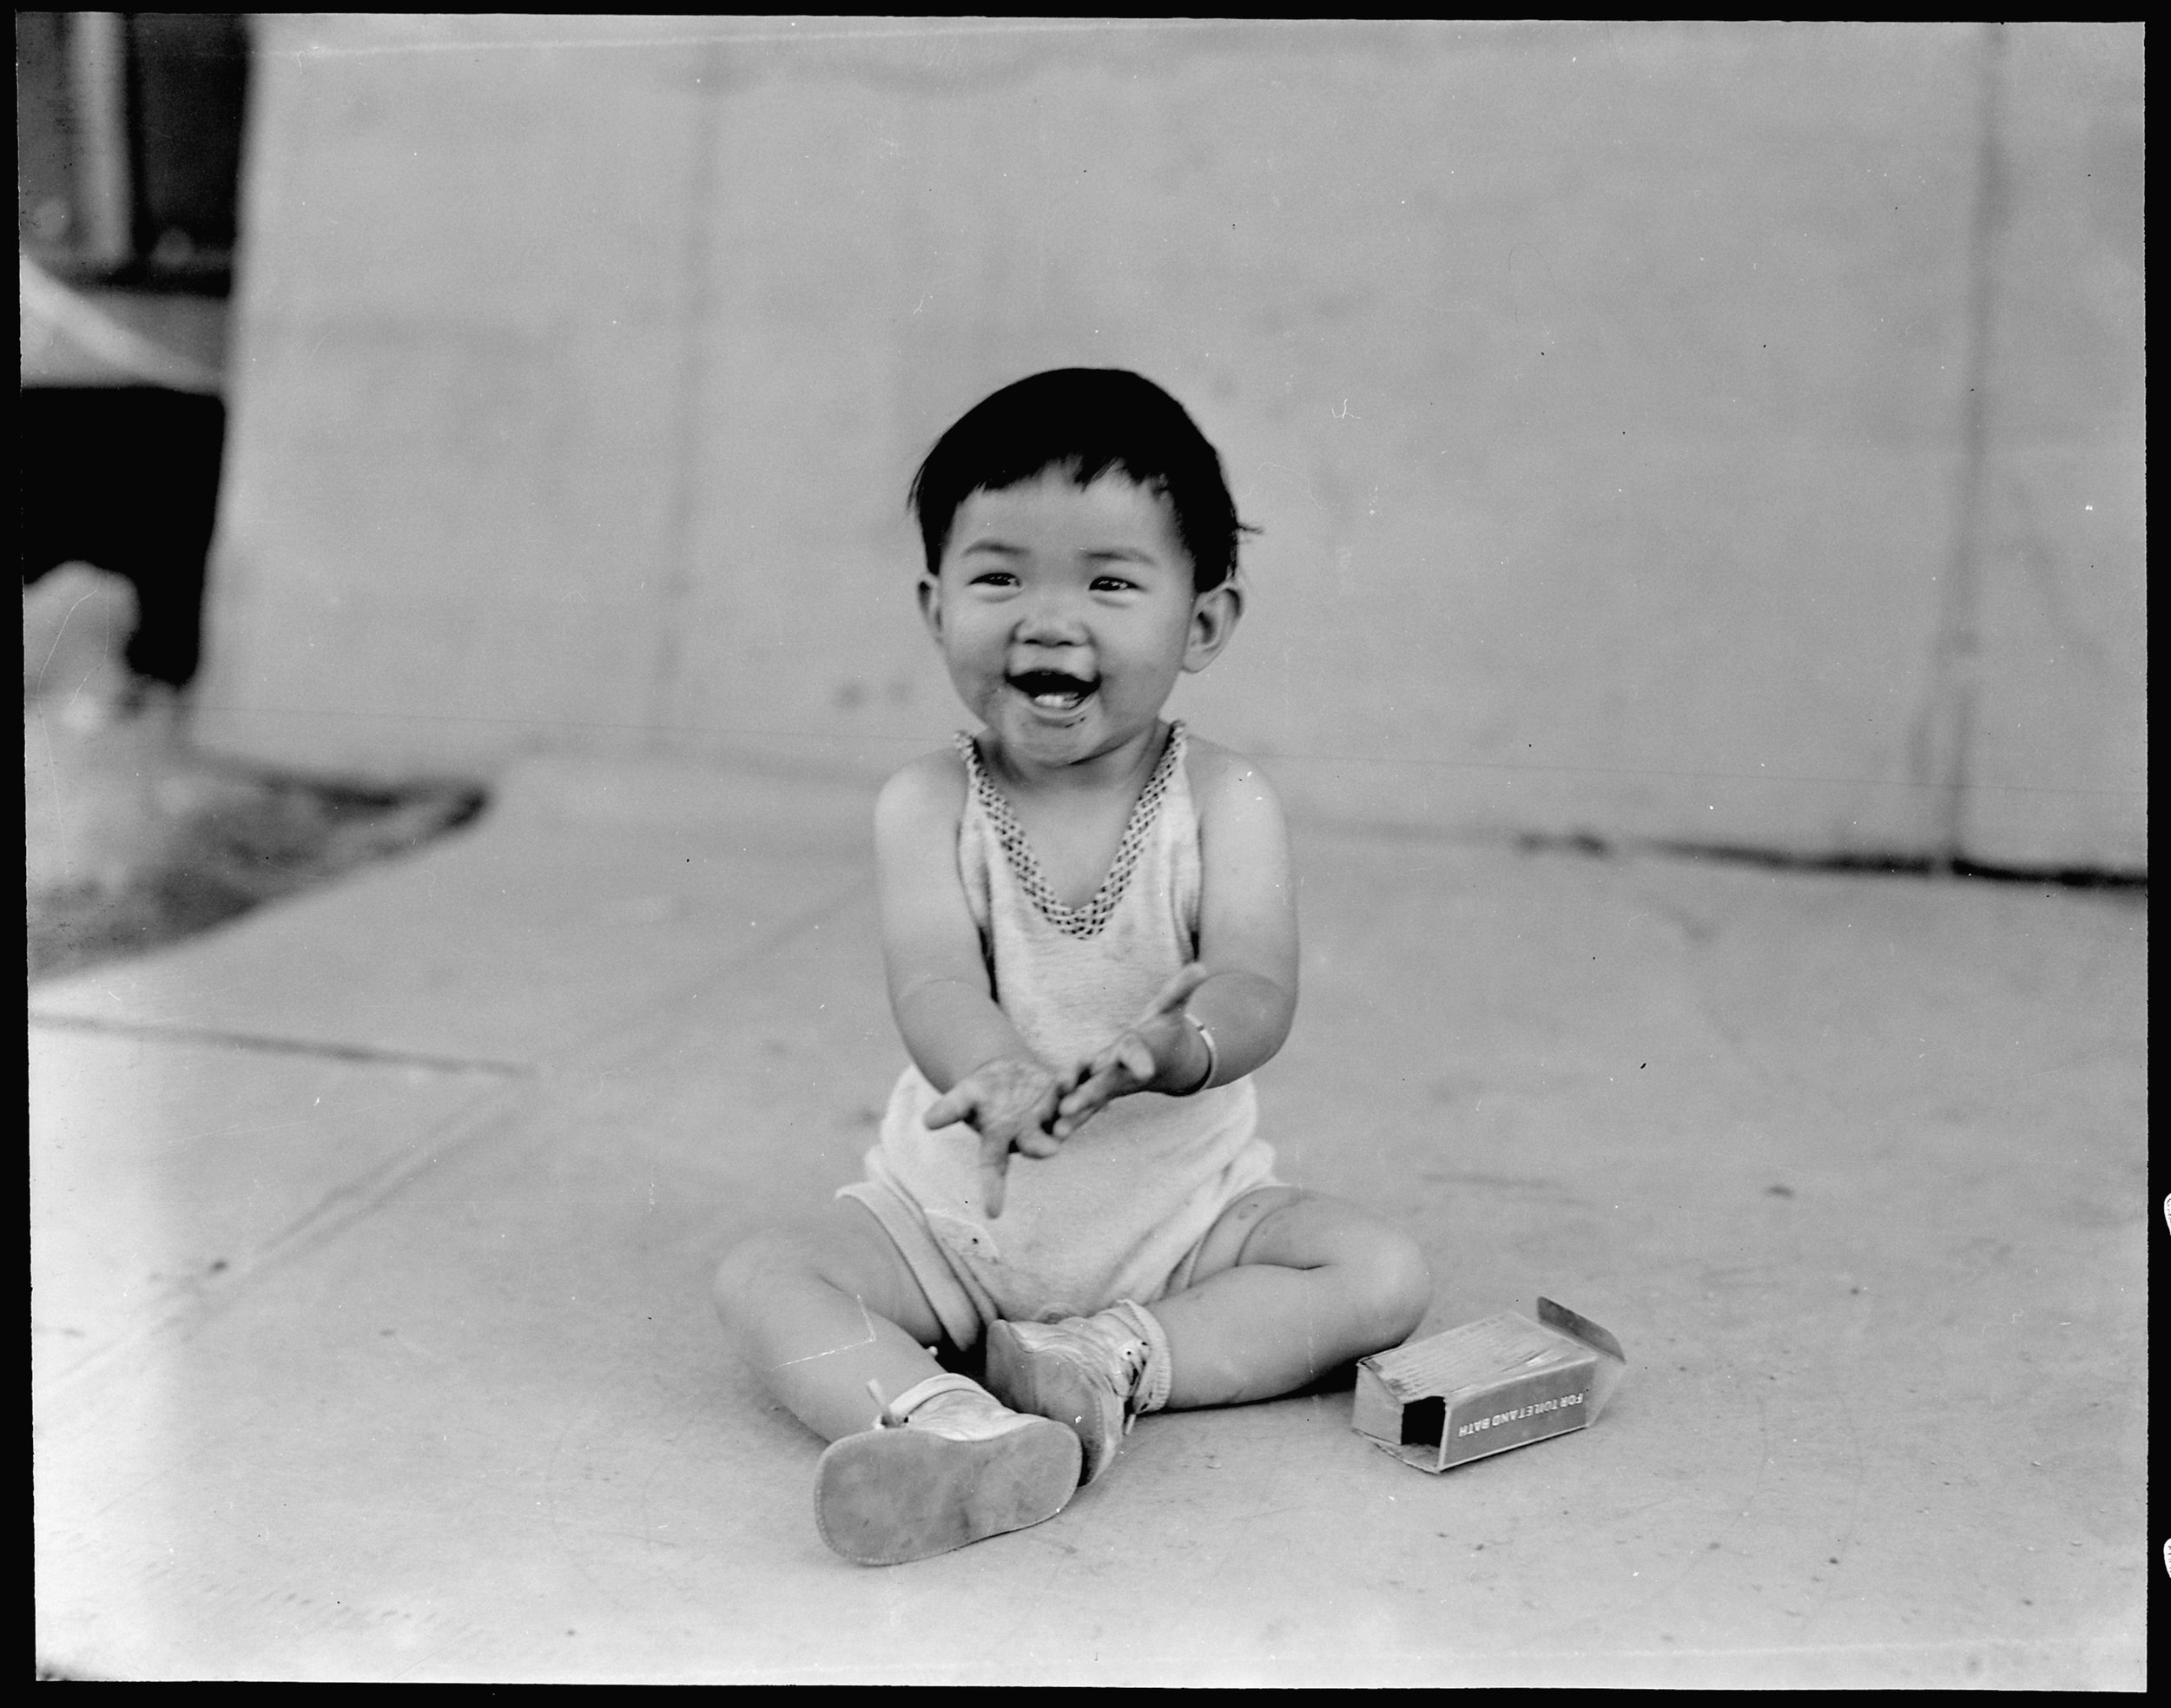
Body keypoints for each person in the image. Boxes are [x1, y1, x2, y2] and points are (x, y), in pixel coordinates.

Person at [714, 368, 1431, 1565]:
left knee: (1379, 1272)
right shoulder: (927, 802)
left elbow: (1255, 988)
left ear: (1202, 621)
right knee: (762, 1275)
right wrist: (993, 1071)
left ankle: (1116, 1354)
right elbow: (934, 979)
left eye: (1109, 582)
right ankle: (953, 1424)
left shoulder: (1228, 802)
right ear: (936, 606)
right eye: (1000, 578)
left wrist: (1174, 1048)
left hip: (1179, 1219)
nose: (1050, 620)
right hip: (951, 1224)